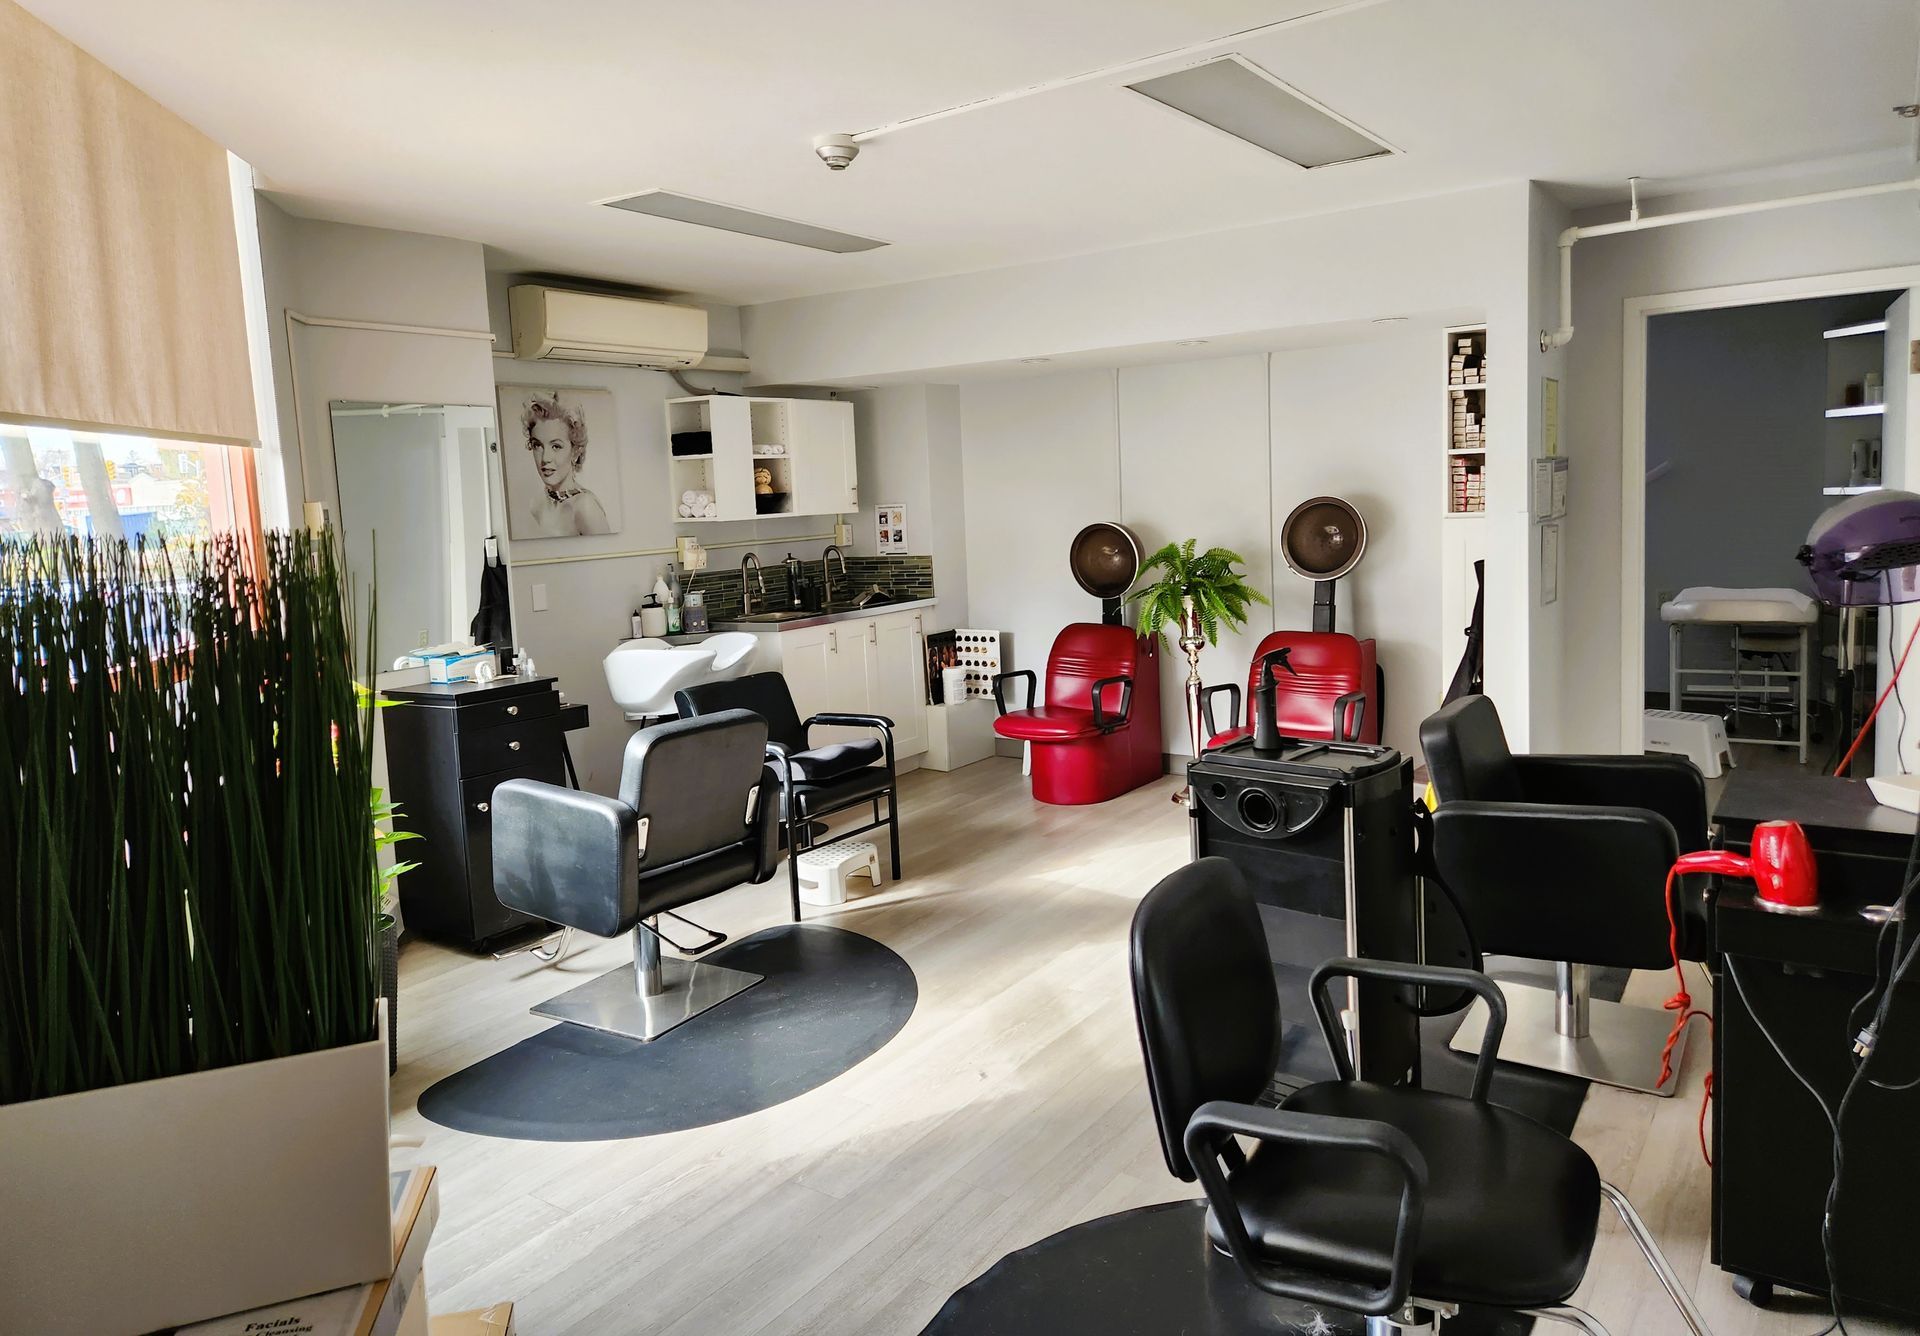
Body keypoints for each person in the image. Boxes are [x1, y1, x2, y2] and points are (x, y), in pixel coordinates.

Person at [521, 393, 610, 537]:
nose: (545, 458)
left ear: (575, 451)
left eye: (556, 446)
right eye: (537, 445)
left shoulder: (585, 507)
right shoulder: (536, 504)